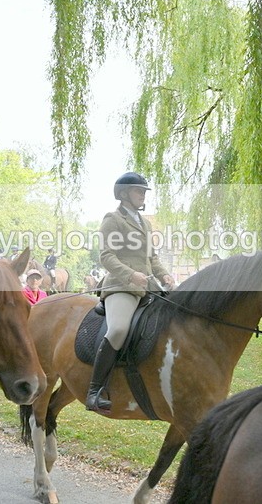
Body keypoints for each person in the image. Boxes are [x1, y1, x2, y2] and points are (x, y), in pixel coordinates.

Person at [86, 172, 175, 413]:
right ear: (124, 193)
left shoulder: (144, 223)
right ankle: (94, 391)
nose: (143, 195)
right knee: (118, 329)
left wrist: (164, 275)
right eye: (139, 191)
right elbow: (106, 256)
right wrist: (130, 275)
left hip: (147, 286)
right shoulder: (112, 219)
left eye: (144, 191)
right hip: (121, 286)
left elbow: (152, 258)